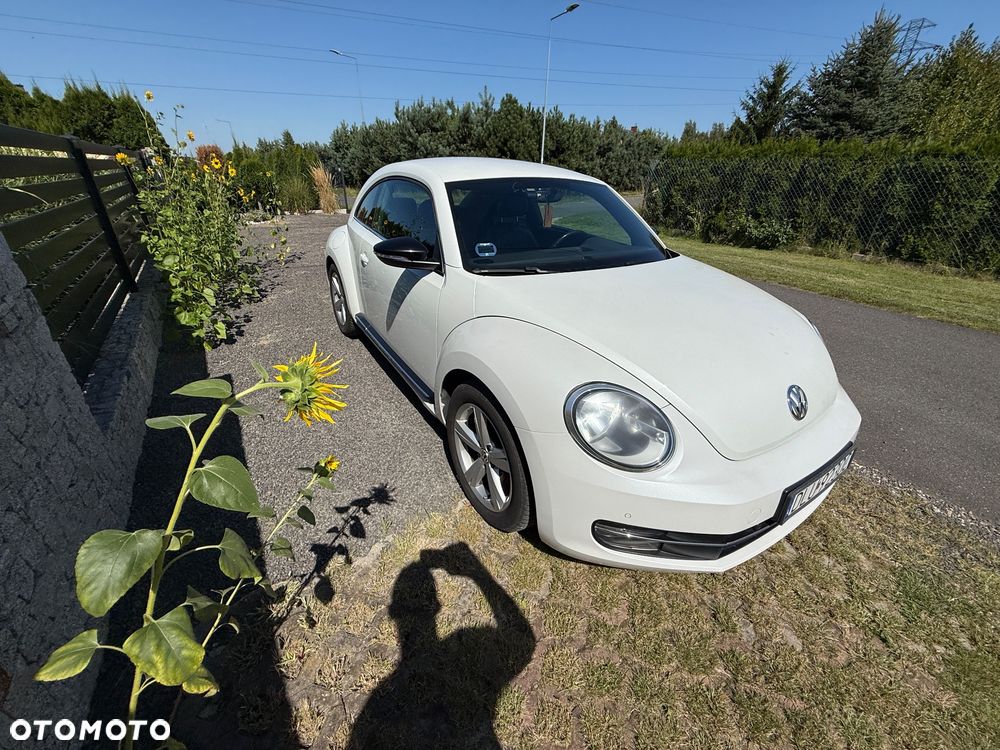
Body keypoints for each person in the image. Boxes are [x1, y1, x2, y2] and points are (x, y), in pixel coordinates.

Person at [347, 542, 536, 749]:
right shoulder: (377, 705)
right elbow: (524, 640)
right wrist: (479, 574)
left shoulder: (375, 709)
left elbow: (525, 644)